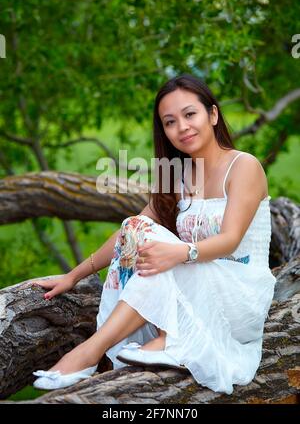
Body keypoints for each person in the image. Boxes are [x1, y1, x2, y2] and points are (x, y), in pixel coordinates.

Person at [31, 73, 276, 395]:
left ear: (213, 115)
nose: (182, 127)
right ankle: (160, 338)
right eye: (170, 122)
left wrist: (180, 252)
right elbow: (129, 233)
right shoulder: (175, 175)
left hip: (238, 293)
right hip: (194, 284)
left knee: (160, 249)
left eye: (190, 114)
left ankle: (92, 352)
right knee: (136, 226)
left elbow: (230, 239)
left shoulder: (244, 166)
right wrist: (74, 276)